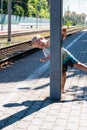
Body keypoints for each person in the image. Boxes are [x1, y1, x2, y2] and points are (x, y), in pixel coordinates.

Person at [31, 28, 87, 93]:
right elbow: (50, 57)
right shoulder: (44, 50)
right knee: (63, 75)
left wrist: (64, 32)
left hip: (67, 57)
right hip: (60, 62)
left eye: (39, 43)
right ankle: (62, 88)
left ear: (42, 38)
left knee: (78, 65)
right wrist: (45, 58)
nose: (40, 46)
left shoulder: (51, 40)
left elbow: (62, 38)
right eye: (38, 46)